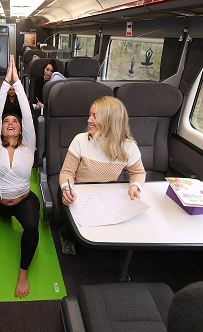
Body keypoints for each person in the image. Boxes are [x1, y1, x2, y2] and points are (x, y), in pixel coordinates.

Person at [58, 96, 146, 255]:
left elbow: (138, 172)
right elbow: (67, 172)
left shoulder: (129, 146)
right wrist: (66, 190)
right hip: (77, 192)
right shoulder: (80, 140)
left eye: (94, 116)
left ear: (110, 121)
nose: (89, 120)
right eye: (90, 115)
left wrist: (135, 186)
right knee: (70, 230)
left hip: (105, 195)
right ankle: (65, 238)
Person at [0, 55, 39, 298]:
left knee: (31, 226)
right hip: (1, 207)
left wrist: (17, 83)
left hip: (25, 201)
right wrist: (4, 84)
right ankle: (5, 215)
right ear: (0, 127)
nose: (10, 122)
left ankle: (23, 272)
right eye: (6, 121)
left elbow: (28, 116)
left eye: (14, 121)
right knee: (3, 218)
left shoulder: (28, 146)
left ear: (20, 128)